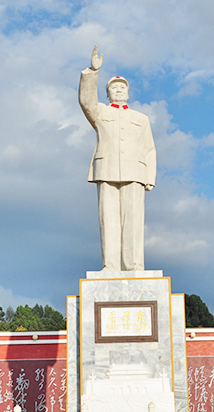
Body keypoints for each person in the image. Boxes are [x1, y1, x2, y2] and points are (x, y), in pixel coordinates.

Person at [79, 45, 156, 271]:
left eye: (123, 87)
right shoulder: (100, 112)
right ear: (108, 93)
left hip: (135, 172)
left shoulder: (141, 118)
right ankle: (110, 265)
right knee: (109, 221)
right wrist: (92, 72)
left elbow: (149, 148)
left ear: (128, 92)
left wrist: (149, 177)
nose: (119, 90)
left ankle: (134, 264)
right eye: (114, 88)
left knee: (133, 221)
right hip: (107, 169)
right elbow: (86, 101)